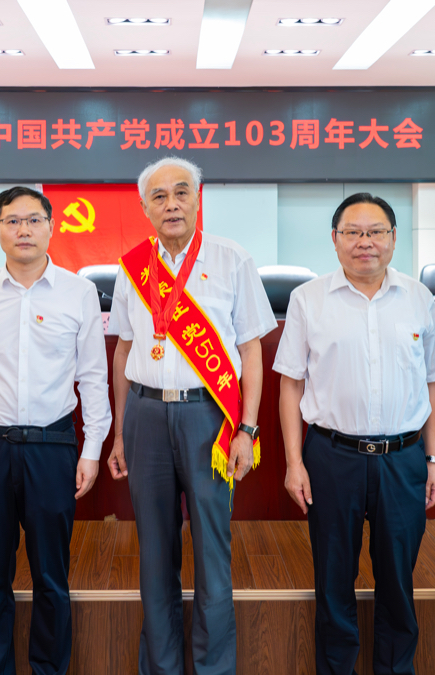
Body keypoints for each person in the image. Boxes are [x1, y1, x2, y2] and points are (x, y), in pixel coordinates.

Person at [106, 156, 276, 675]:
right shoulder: (132, 266)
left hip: (210, 417)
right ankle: (160, 667)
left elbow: (250, 351)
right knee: (154, 554)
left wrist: (247, 429)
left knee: (212, 553)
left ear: (197, 199)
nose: (172, 204)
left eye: (181, 192)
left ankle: (212, 667)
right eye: (159, 196)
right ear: (144, 207)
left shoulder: (232, 259)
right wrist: (120, 434)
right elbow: (122, 352)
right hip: (145, 416)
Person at [274, 192, 435, 675]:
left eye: (375, 231)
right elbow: (290, 385)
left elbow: (434, 383)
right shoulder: (308, 300)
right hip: (332, 457)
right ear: (335, 239)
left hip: (403, 459)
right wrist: (294, 463)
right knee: (334, 582)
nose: (364, 242)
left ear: (394, 238)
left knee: (398, 583)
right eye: (353, 232)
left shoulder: (418, 298)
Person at [0, 186, 111, 675]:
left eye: (34, 220)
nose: (24, 230)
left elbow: (93, 376)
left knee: (51, 579)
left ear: (52, 227)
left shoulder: (78, 292)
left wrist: (92, 449)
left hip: (52, 447)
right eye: (12, 221)